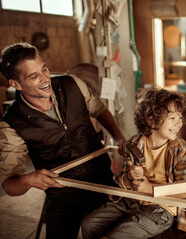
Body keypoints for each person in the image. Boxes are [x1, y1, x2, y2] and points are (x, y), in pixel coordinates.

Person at [0, 42, 127, 239]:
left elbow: (100, 110)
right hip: (64, 195)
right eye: (33, 76)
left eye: (44, 69)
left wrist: (119, 138)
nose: (45, 79)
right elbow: (9, 185)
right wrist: (28, 180)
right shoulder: (12, 124)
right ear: (15, 84)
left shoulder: (73, 84)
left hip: (103, 179)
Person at [81, 88, 186, 239]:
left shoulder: (183, 151)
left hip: (162, 208)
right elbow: (123, 182)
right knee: (89, 224)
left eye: (180, 117)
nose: (179, 123)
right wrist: (130, 175)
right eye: (172, 118)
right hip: (132, 200)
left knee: (117, 236)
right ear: (151, 120)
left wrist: (150, 188)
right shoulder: (134, 144)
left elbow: (184, 190)